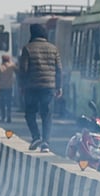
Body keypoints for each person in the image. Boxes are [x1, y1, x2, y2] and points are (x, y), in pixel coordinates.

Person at [19, 23, 61, 153]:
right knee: (46, 115)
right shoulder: (53, 49)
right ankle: (46, 143)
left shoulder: (27, 48)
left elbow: (23, 70)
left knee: (30, 113)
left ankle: (36, 136)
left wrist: (22, 86)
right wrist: (59, 87)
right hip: (49, 87)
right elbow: (59, 69)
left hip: (32, 86)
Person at [0, 54, 17, 123]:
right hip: (9, 87)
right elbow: (17, 70)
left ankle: (3, 117)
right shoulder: (12, 66)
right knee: (9, 103)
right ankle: (9, 117)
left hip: (2, 87)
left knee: (2, 103)